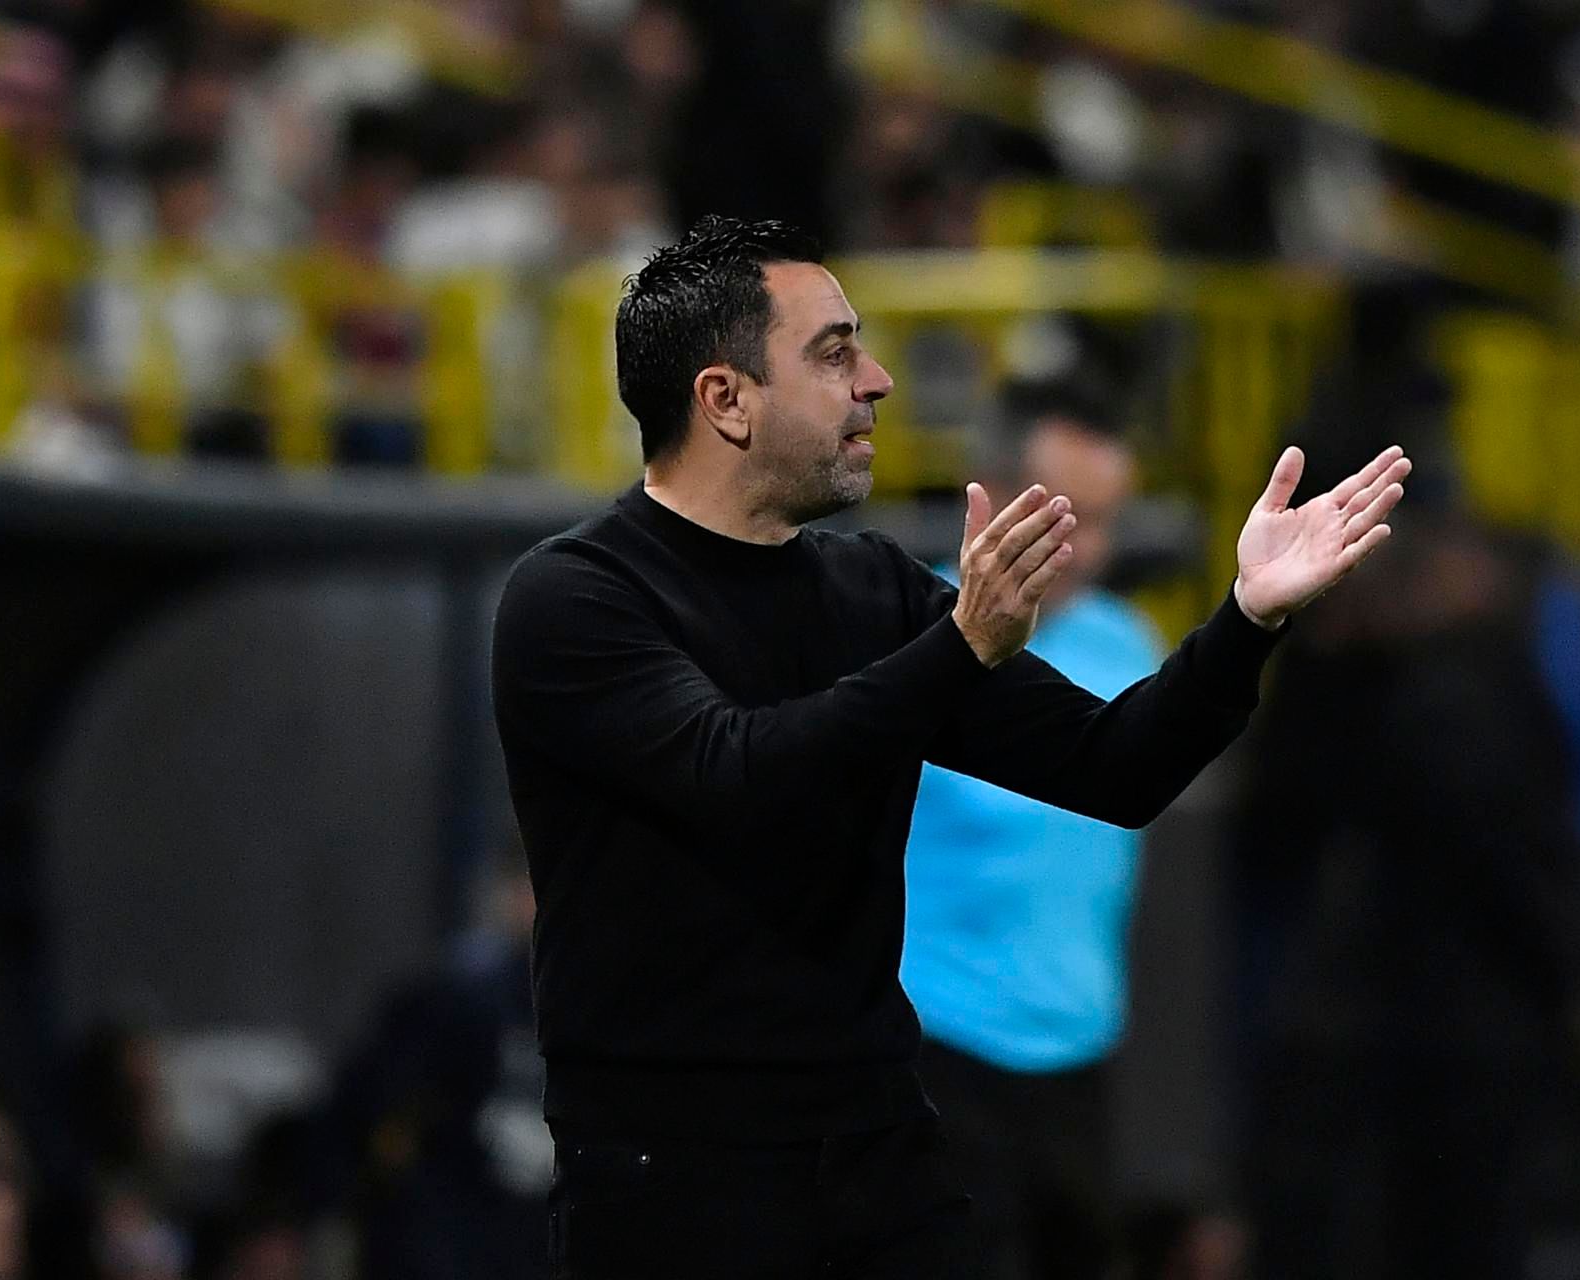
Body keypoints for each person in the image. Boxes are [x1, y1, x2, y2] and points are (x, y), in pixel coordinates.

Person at [489, 215, 1409, 1278]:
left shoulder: (870, 588)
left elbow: (1118, 767)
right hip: (672, 1185)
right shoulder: (576, 598)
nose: (876, 380)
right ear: (725, 399)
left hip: (879, 1163)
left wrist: (1247, 619)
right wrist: (959, 648)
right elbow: (735, 776)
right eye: (833, 353)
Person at [899, 384, 1162, 1279]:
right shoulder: (915, 631)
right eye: (1066, 514)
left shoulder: (1130, 642)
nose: (1086, 547)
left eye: (1106, 521)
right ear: (992, 492)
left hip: (1080, 1047)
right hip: (938, 1047)